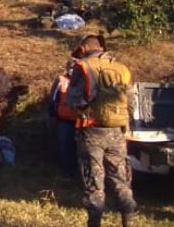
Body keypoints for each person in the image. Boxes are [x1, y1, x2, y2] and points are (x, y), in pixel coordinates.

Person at [66, 35, 137, 227]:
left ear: (84, 48)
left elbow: (73, 100)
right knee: (121, 180)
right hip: (117, 131)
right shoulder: (122, 68)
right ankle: (128, 221)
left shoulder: (83, 67)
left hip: (91, 131)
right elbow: (131, 102)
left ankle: (95, 222)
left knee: (94, 182)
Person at [49, 57, 79, 178]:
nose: (72, 70)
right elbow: (53, 99)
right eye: (71, 67)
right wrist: (52, 115)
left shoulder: (84, 80)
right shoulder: (61, 80)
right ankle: (68, 174)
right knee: (65, 148)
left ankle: (80, 174)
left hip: (81, 121)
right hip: (64, 121)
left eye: (75, 67)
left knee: (81, 149)